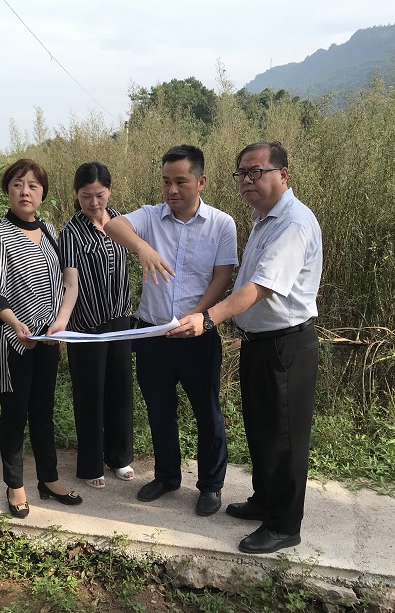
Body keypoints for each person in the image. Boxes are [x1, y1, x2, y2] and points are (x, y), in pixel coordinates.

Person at [169, 141, 322, 554]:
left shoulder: (293, 223)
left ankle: (284, 525)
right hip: (260, 343)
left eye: (257, 172)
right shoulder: (263, 219)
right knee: (262, 429)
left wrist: (209, 317)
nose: (248, 180)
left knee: (284, 437)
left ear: (283, 175)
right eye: (242, 173)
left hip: (286, 345)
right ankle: (265, 500)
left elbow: (259, 288)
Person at [104, 144, 238, 517]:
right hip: (153, 335)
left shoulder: (221, 224)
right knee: (160, 410)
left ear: (201, 181)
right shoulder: (151, 216)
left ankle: (210, 485)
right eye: (166, 181)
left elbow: (222, 278)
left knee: (207, 412)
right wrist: (143, 249)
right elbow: (113, 225)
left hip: (198, 334)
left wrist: (196, 317)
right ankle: (167, 477)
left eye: (181, 181)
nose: (172, 189)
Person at [0, 158, 82, 518]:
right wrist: (16, 325)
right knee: (14, 414)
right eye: (18, 184)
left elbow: (64, 283)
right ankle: (15, 485)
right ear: (8, 191)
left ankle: (48, 479)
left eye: (33, 186)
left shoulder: (50, 230)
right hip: (14, 341)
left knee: (43, 412)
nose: (25, 191)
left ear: (43, 194)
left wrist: (58, 324)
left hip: (47, 339)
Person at [59, 162, 135, 489]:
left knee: (121, 390)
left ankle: (120, 457)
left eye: (99, 195)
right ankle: (91, 464)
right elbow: (71, 283)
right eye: (86, 195)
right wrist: (62, 322)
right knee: (90, 394)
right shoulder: (71, 233)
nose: (93, 202)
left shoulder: (121, 222)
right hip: (86, 325)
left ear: (109, 192)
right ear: (77, 194)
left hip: (121, 319)